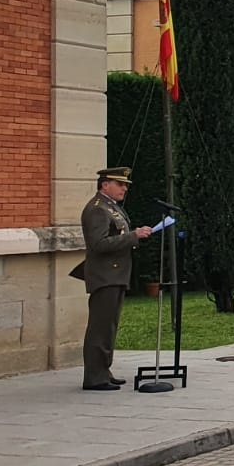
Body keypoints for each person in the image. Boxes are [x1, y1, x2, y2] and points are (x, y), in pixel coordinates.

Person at [75, 167, 153, 391]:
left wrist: (133, 234)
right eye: (120, 184)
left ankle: (103, 371)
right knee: (100, 328)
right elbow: (98, 244)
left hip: (115, 274)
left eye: (125, 185)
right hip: (105, 275)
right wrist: (133, 236)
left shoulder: (111, 207)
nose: (124, 189)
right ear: (105, 184)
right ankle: (94, 376)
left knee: (109, 327)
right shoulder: (97, 209)